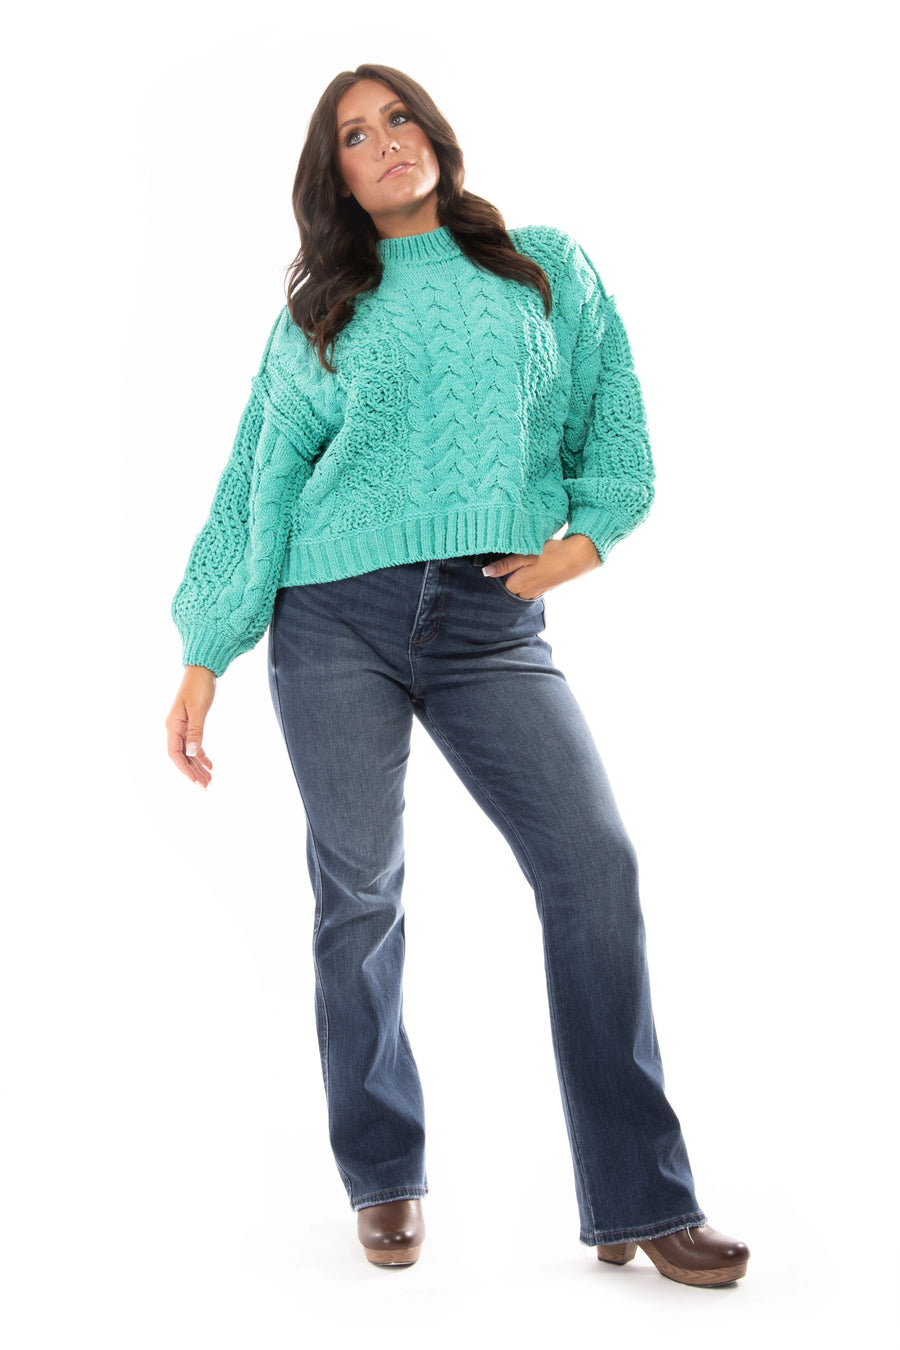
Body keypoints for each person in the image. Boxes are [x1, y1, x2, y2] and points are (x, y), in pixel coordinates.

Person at [165, 63, 749, 1287]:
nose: (386, 141)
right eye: (355, 135)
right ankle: (384, 1174)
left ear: (434, 132)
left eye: (399, 118)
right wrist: (206, 651)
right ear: (333, 177)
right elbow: (260, 480)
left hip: (493, 623)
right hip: (335, 618)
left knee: (594, 867)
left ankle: (641, 1198)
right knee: (359, 892)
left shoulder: (543, 267)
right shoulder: (322, 310)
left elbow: (612, 423)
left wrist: (586, 540)